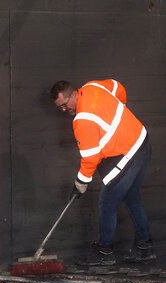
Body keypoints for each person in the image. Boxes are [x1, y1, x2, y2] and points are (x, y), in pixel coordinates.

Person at [50, 79, 155, 266]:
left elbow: (91, 158)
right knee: (131, 197)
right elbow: (118, 87)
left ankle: (105, 252)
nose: (65, 110)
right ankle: (145, 248)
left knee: (107, 202)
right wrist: (119, 111)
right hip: (142, 141)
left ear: (73, 94)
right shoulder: (93, 87)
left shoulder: (83, 120)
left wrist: (80, 184)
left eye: (65, 105)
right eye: (61, 108)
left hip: (128, 153)